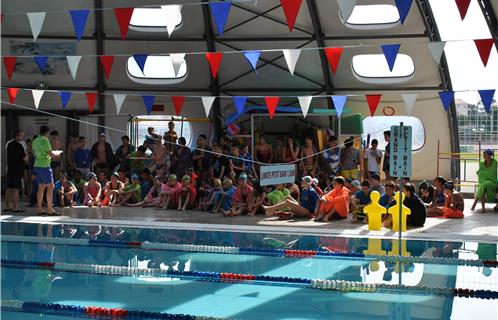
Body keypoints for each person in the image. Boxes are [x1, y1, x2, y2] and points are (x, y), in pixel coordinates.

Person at [32, 125, 62, 216]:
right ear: (47, 132)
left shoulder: (35, 140)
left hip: (37, 165)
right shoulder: (45, 140)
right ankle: (50, 209)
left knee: (41, 187)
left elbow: (34, 153)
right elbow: (50, 153)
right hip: (44, 166)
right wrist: (56, 154)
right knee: (51, 187)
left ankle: (40, 209)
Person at [5, 129, 27, 213]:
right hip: (17, 170)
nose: (22, 136)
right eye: (21, 135)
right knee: (16, 189)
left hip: (10, 169)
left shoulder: (9, 144)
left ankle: (7, 206)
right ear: (16, 136)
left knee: (9, 188)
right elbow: (25, 158)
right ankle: (15, 207)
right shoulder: (19, 145)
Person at [472, 149, 497, 213]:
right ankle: (483, 208)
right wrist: (481, 174)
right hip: (483, 181)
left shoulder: (495, 162)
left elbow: (492, 173)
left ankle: (475, 203)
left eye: (485, 154)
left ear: (489, 155)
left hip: (492, 181)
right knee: (483, 186)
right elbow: (481, 172)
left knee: (483, 186)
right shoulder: (481, 163)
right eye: (484, 154)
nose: (484, 155)